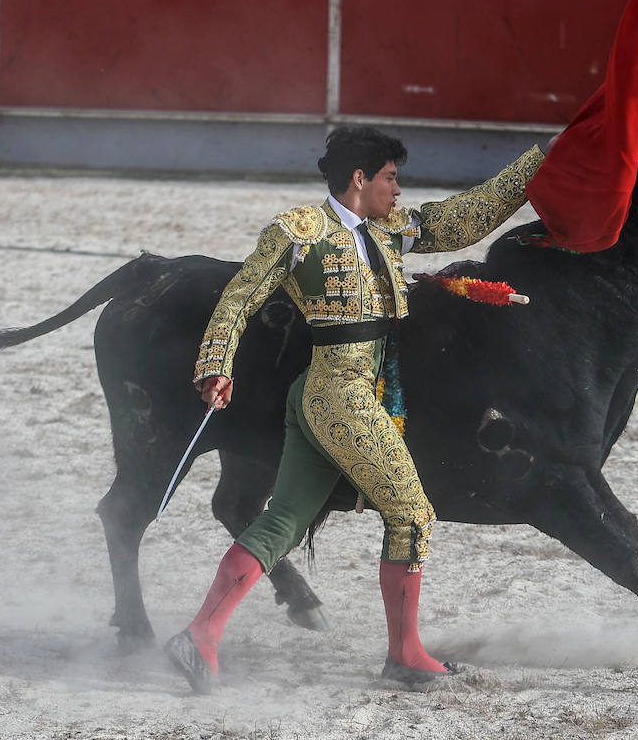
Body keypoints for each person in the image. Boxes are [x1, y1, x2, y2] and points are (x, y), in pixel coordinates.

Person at [164, 125, 547, 694]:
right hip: (338, 391)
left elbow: (463, 218)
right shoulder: (299, 231)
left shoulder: (387, 229)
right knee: (413, 515)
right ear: (359, 178)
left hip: (343, 392)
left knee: (286, 518)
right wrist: (216, 365)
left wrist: (537, 165)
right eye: (391, 177)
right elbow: (241, 296)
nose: (398, 189)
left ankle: (199, 636)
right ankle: (405, 654)